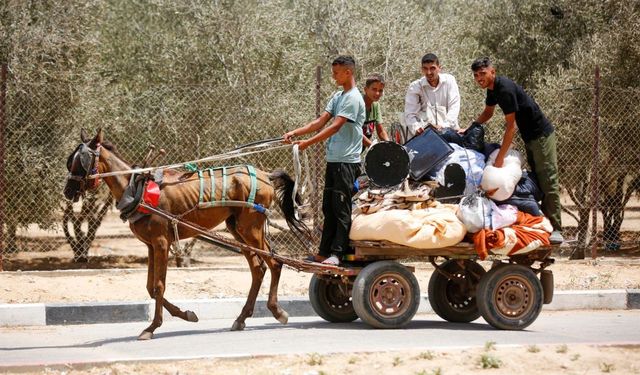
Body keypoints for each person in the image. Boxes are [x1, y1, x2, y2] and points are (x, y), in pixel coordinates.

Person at [465, 57, 563, 244]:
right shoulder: (492, 90)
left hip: (540, 136)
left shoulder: (505, 89)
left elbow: (511, 127)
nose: (479, 78)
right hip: (530, 137)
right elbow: (488, 113)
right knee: (537, 179)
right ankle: (543, 223)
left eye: (483, 73)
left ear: (492, 72)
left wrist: (500, 158)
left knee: (548, 179)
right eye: (476, 75)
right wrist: (471, 127)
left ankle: (557, 228)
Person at [283, 55, 365, 265]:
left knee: (341, 208)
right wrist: (296, 133)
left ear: (348, 72)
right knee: (328, 208)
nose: (333, 77)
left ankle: (337, 254)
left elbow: (336, 126)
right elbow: (320, 121)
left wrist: (307, 144)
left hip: (347, 163)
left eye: (336, 73)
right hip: (334, 161)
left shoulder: (354, 98)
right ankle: (323, 252)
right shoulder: (338, 96)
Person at [403, 53, 461, 140]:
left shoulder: (449, 81)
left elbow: (454, 107)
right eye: (425, 69)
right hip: (426, 136)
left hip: (449, 133)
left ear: (439, 68)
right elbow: (410, 114)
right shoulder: (415, 87)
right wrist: (417, 128)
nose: (429, 72)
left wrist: (443, 127)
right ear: (421, 69)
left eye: (432, 68)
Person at [362, 73, 389, 148]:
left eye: (380, 90)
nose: (377, 93)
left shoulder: (375, 105)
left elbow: (380, 131)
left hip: (356, 154)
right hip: (343, 153)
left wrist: (390, 145)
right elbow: (355, 132)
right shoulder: (358, 104)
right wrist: (372, 146)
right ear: (366, 89)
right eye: (374, 89)